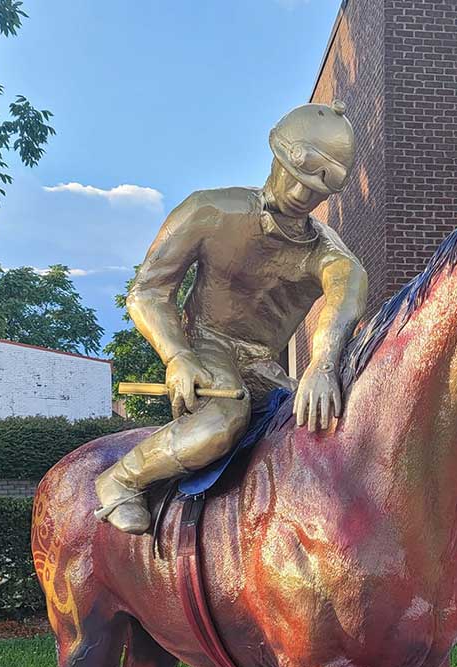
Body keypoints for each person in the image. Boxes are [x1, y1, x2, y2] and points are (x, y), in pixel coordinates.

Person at [95, 101, 369, 533]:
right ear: (276, 156)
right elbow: (148, 291)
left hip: (264, 365)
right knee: (223, 423)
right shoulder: (209, 211)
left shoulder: (330, 254)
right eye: (295, 178)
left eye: (317, 191)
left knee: (332, 428)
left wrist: (323, 364)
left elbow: (345, 296)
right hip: (208, 346)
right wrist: (177, 356)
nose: (301, 196)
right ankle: (121, 479)